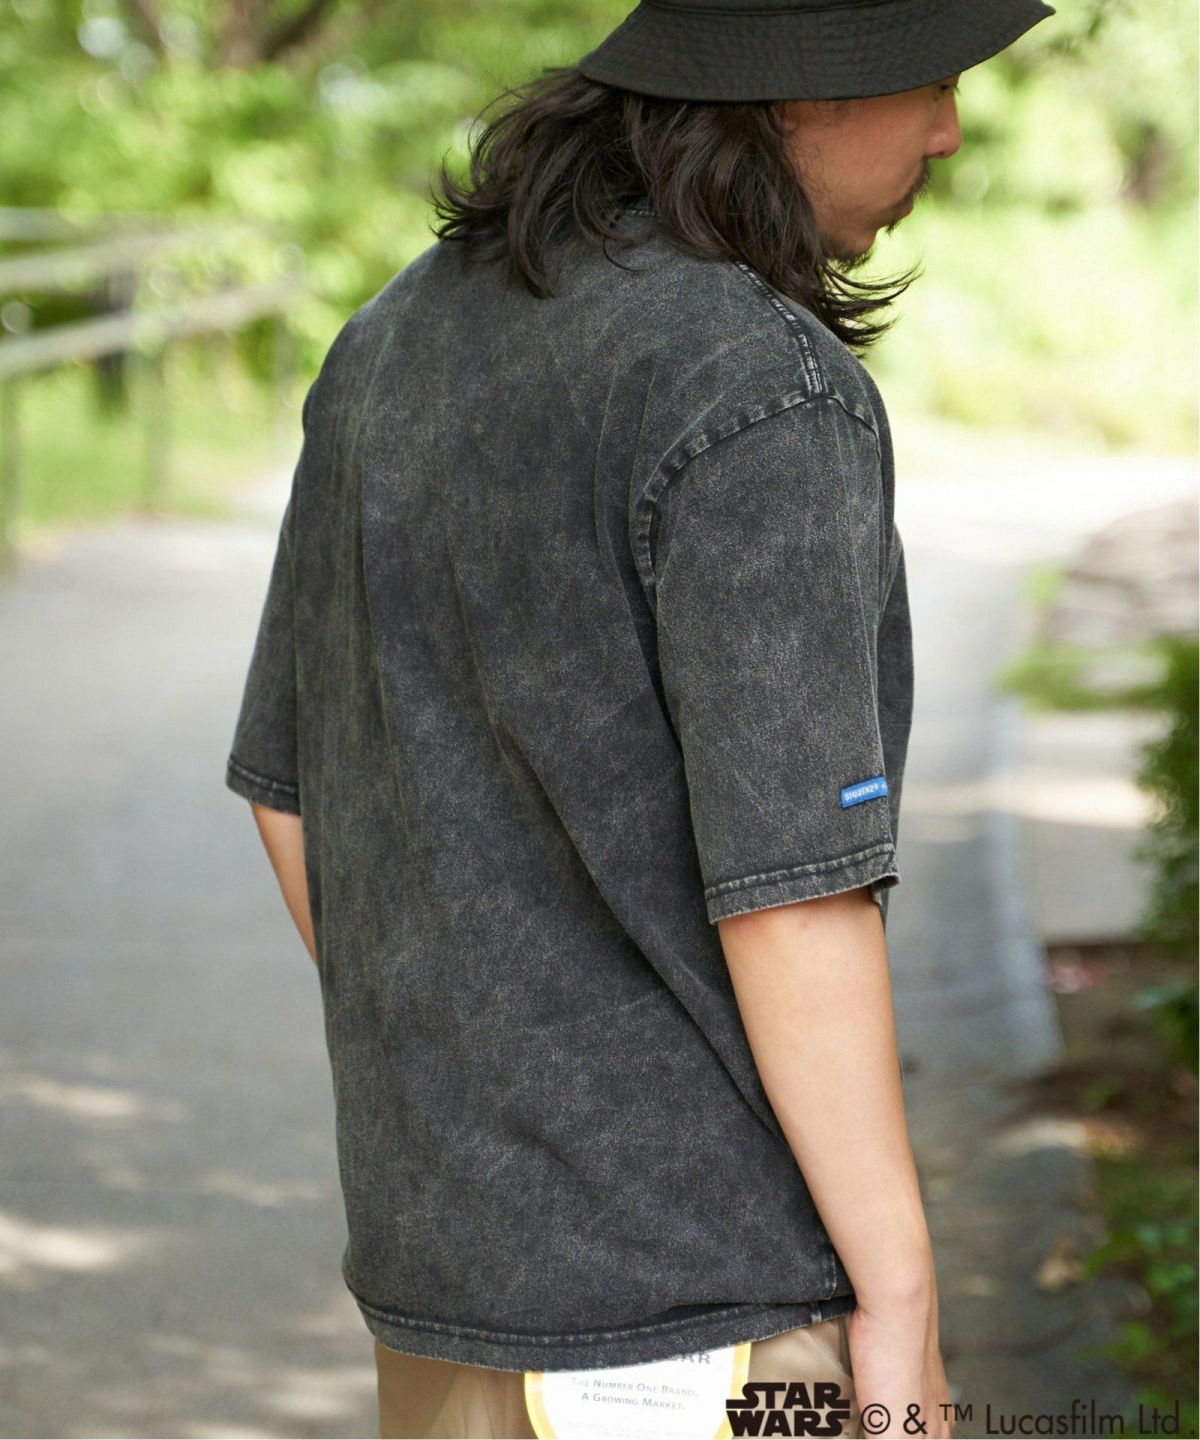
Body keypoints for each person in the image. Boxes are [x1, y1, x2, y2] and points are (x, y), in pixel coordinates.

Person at [224, 1, 1055, 1436]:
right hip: (714, 1305)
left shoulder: (394, 333)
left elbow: (290, 797)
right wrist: (904, 1304)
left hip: (446, 1284)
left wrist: (486, 1103)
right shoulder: (760, 389)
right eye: (926, 79)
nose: (947, 129)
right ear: (793, 92)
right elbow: (794, 898)